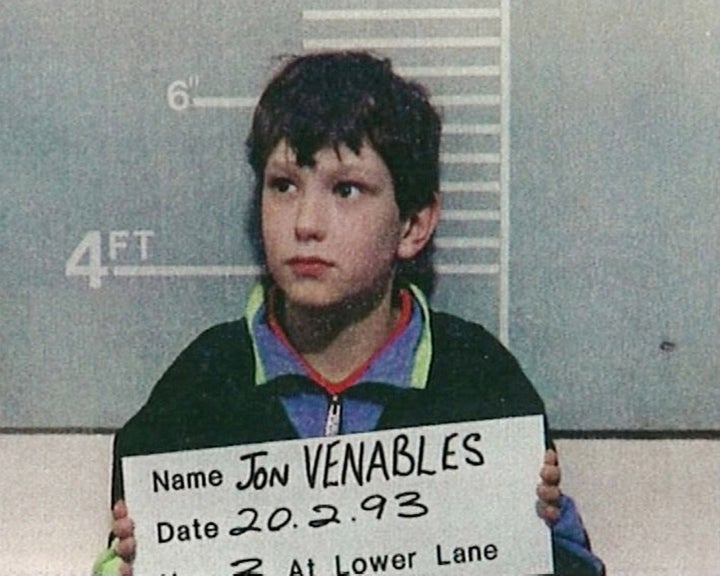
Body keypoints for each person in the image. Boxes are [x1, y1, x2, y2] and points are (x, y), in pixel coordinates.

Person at [93, 51, 604, 576]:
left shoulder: (480, 380)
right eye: (284, 185)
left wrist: (546, 530)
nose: (307, 223)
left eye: (346, 190)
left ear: (413, 225)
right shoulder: (197, 387)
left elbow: (570, 566)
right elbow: (125, 551)